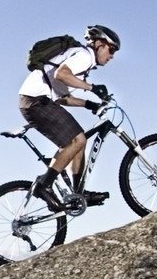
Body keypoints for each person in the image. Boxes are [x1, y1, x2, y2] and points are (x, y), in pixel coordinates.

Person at [18, 25, 119, 209]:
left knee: (79, 143)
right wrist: (92, 88)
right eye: (110, 49)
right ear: (98, 44)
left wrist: (90, 104)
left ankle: (78, 193)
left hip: (35, 101)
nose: (112, 55)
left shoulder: (79, 60)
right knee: (76, 140)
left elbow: (63, 98)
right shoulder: (84, 56)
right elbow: (61, 74)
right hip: (35, 101)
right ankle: (44, 185)